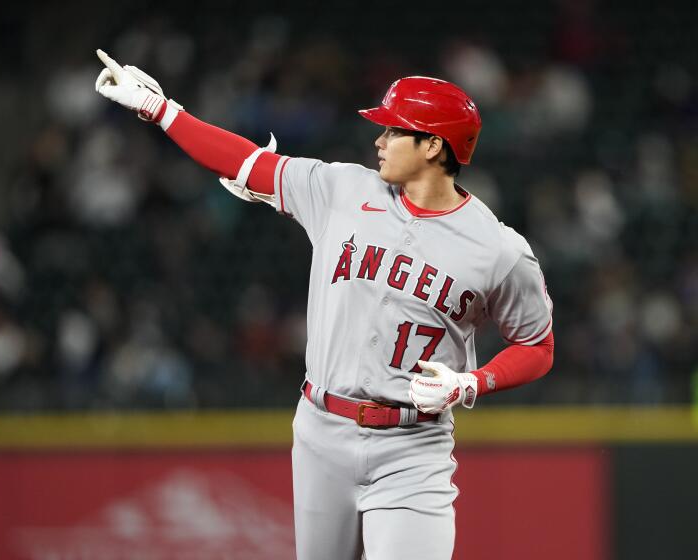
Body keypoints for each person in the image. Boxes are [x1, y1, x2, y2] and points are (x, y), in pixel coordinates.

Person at [94, 49, 554, 560]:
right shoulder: (341, 189)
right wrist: (159, 110)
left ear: (432, 145)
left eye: (393, 131)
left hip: (413, 449)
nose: (378, 141)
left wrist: (472, 382)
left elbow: (537, 344)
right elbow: (247, 163)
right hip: (321, 432)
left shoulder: (498, 249)